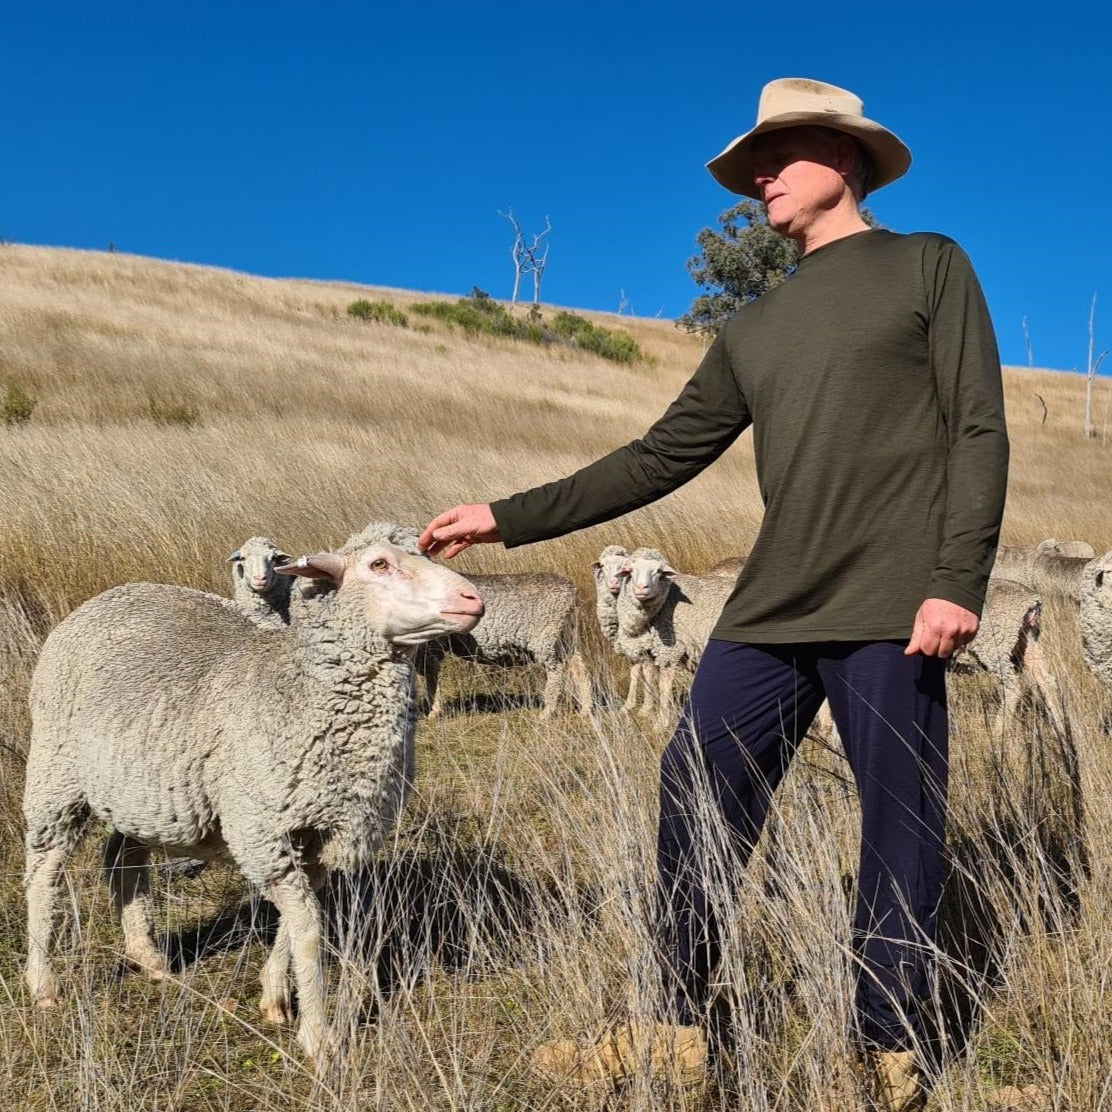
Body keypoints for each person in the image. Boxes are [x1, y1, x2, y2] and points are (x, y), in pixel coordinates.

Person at [419, 77, 1008, 1111]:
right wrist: (504, 516)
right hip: (769, 607)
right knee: (692, 790)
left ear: (848, 158)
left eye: (780, 155)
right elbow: (657, 457)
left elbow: (975, 427)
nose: (761, 178)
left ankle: (884, 1051)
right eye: (753, 167)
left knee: (898, 821)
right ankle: (672, 1026)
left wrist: (953, 580)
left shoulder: (928, 265)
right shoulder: (754, 324)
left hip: (891, 600)